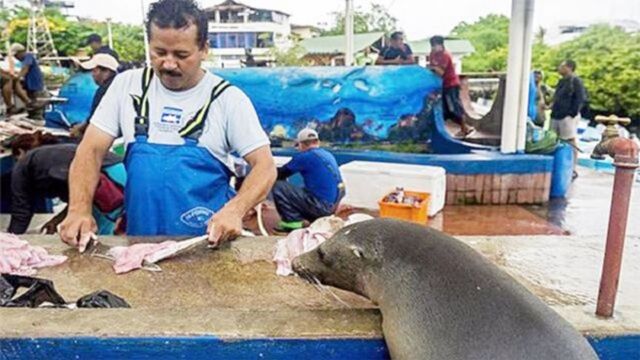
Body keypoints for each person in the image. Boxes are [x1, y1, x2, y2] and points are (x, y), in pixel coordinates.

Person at [58, 0, 276, 249]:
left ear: (204, 49)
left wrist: (235, 210)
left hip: (207, 244)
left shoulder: (228, 99)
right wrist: (78, 209)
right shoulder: (126, 86)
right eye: (159, 53)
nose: (169, 64)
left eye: (181, 55)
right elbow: (90, 150)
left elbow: (265, 166)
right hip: (140, 243)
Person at [8, 142, 125, 236]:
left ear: (19, 152)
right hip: (121, 172)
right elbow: (76, 200)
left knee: (99, 239)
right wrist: (58, 219)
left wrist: (10, 242)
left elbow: (21, 212)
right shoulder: (51, 155)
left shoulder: (21, 166)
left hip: (103, 181)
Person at [272, 128, 345, 231]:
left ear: (301, 144)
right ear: (318, 142)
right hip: (333, 206)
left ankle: (291, 223)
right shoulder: (327, 154)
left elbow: (280, 174)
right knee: (302, 190)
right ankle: (310, 218)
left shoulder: (305, 157)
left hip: (321, 207)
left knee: (279, 186)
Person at [428, 35, 474, 138]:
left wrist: (433, 68)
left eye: (435, 46)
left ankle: (464, 127)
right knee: (444, 110)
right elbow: (432, 69)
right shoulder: (432, 54)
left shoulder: (445, 55)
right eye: (432, 46)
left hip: (451, 84)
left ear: (441, 45)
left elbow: (440, 72)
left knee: (455, 107)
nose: (434, 48)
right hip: (441, 85)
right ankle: (443, 130)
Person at [550, 60, 586, 180]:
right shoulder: (561, 81)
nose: (559, 68)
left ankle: (573, 168)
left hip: (567, 116)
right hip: (556, 115)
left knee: (570, 140)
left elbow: (580, 98)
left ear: (569, 67)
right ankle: (557, 165)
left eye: (562, 66)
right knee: (553, 139)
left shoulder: (575, 81)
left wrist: (571, 113)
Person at [70, 53, 120, 138]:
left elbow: (95, 119)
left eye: (94, 71)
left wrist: (79, 129)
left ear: (106, 71)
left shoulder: (104, 90)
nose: (92, 75)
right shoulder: (119, 84)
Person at [9, 43, 47, 119]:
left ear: (21, 52)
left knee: (37, 103)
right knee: (31, 104)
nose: (16, 58)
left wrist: (18, 77)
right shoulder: (23, 60)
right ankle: (32, 116)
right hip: (29, 86)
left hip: (36, 85)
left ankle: (38, 117)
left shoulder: (28, 56)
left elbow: (25, 68)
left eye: (16, 55)